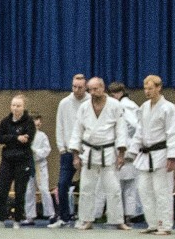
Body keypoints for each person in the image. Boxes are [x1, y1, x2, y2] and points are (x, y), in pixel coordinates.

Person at [69, 76, 129, 230]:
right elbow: (77, 131)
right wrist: (75, 155)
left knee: (113, 188)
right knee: (86, 188)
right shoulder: (84, 107)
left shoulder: (115, 105)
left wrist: (121, 154)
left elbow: (121, 130)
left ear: (103, 88)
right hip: (89, 152)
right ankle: (86, 219)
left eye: (96, 89)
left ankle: (118, 220)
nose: (93, 92)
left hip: (108, 152)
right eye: (90, 90)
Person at [134, 75, 175, 235]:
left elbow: (174, 133)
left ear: (159, 88)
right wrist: (132, 151)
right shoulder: (143, 107)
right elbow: (139, 131)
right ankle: (152, 223)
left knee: (162, 191)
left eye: (150, 88)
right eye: (145, 88)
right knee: (144, 190)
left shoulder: (169, 108)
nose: (147, 91)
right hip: (145, 155)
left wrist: (172, 157)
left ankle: (165, 225)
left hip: (162, 154)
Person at [0, 95, 35, 229]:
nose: (15, 108)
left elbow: (28, 139)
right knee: (1, 190)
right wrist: (16, 138)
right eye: (13, 105)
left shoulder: (29, 122)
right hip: (7, 160)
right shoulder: (5, 121)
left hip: (22, 161)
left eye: (18, 106)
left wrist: (14, 139)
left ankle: (17, 219)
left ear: (23, 107)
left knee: (20, 191)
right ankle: (1, 219)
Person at [52, 73, 87, 227]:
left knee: (86, 186)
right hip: (67, 151)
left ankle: (84, 218)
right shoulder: (64, 103)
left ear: (85, 87)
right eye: (74, 87)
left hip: (86, 151)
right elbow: (59, 125)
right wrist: (61, 147)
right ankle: (64, 217)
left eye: (80, 87)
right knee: (62, 184)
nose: (76, 90)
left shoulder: (90, 102)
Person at [108, 82, 143, 223]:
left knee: (121, 187)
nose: (113, 97)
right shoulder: (132, 105)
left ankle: (122, 215)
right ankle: (128, 214)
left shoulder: (124, 106)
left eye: (114, 94)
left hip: (125, 149)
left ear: (120, 93)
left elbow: (134, 125)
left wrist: (127, 142)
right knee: (129, 187)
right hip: (131, 149)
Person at [25, 126, 55, 224]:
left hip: (40, 165)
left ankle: (51, 214)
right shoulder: (25, 135)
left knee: (44, 189)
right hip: (28, 165)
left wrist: (35, 151)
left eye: (39, 121)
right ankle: (29, 216)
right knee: (29, 191)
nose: (38, 123)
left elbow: (47, 150)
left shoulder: (42, 136)